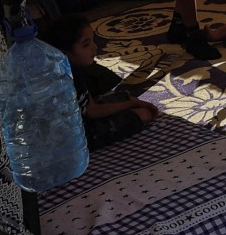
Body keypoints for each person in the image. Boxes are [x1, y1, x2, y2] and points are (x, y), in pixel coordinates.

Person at [38, 14, 158, 150]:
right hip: (74, 140)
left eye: (92, 41)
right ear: (64, 52)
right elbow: (93, 111)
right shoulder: (69, 75)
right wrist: (132, 104)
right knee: (143, 114)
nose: (94, 47)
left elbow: (90, 106)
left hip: (72, 125)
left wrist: (130, 102)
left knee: (124, 98)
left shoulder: (67, 67)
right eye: (86, 44)